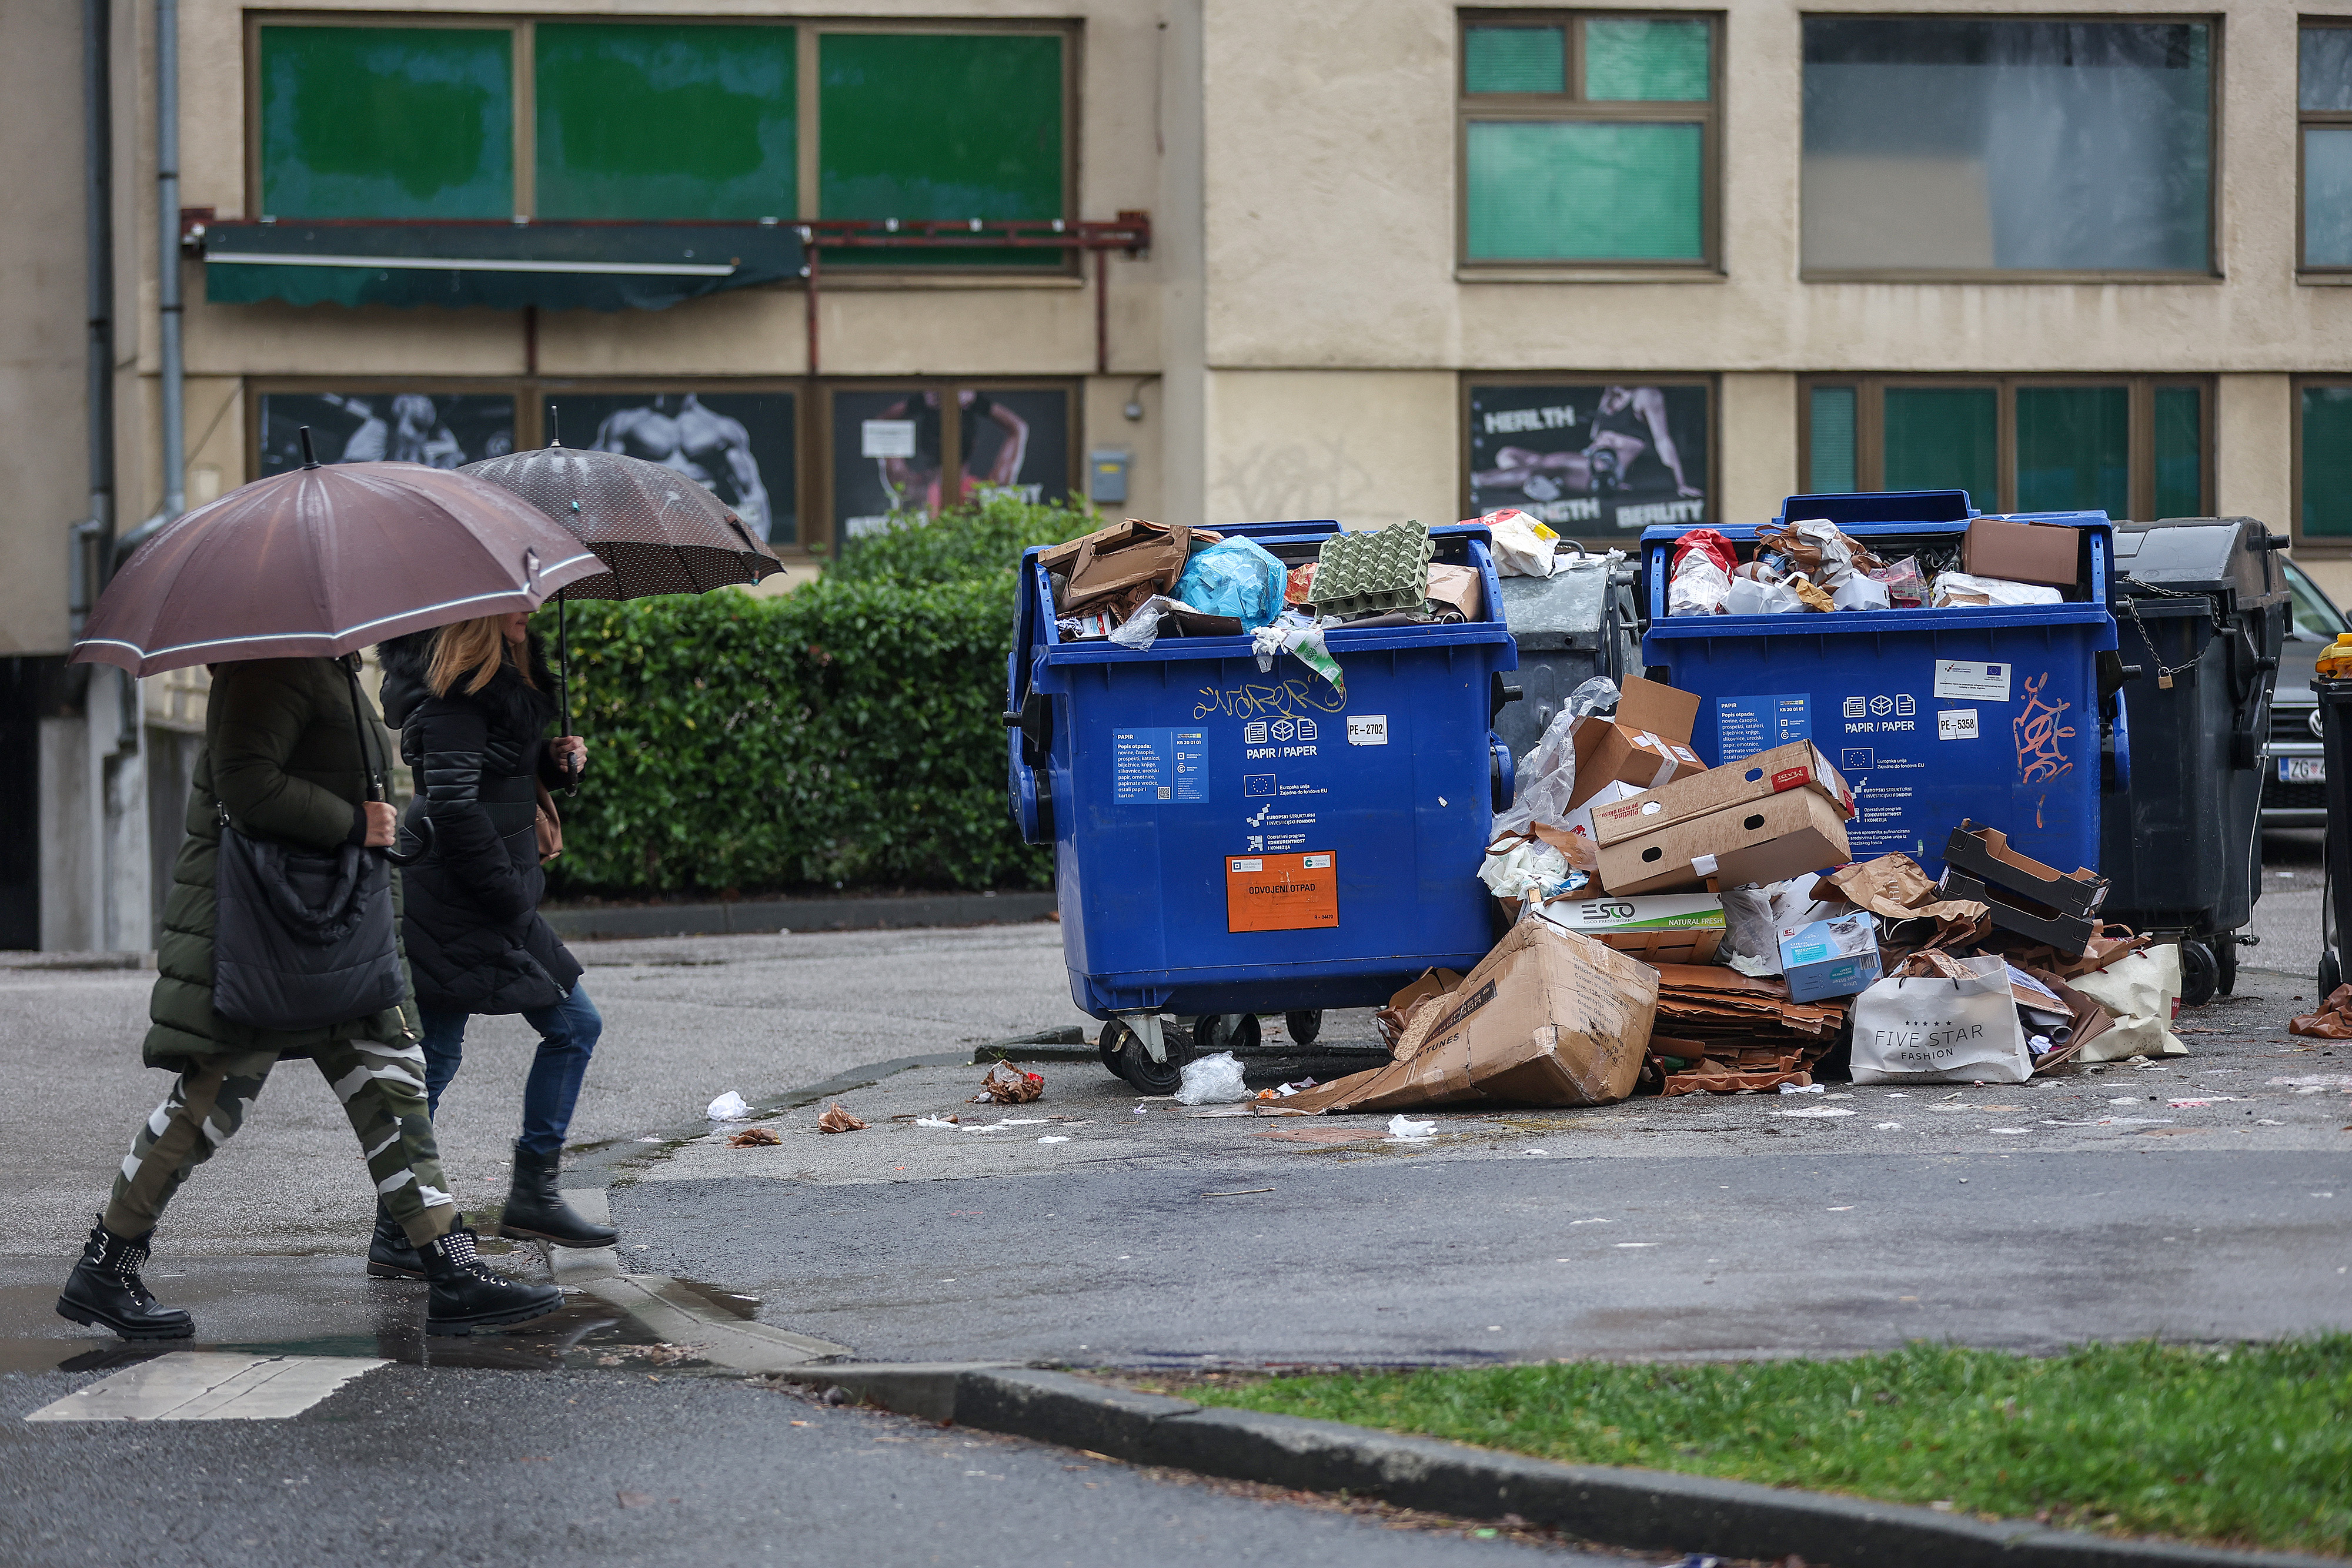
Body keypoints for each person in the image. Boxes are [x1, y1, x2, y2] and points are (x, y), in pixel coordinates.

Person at [55, 656, 561, 1340]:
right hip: (268, 931)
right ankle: (106, 1267)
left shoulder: (328, 665)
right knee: (207, 1106)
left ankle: (451, 1269)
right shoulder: (273, 668)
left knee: (392, 1083)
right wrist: (354, 823)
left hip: (331, 927)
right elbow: (246, 783)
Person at [375, 613, 614, 1276]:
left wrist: (549, 759)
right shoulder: (458, 693)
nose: (528, 608)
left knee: (571, 1026)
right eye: (514, 598)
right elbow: (452, 805)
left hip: (488, 892)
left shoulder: (506, 682)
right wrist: (509, 896)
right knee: (440, 1057)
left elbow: (491, 775)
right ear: (477, 612)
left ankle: (529, 1196)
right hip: (457, 898)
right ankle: (402, 1228)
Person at [1472, 385, 1703, 503]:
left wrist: (1679, 483)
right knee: (1508, 454)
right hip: (1587, 460)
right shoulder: (1610, 393)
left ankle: (1478, 481)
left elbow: (1663, 440)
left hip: (1605, 471)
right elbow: (1596, 435)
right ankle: (1547, 485)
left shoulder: (1646, 395)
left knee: (1540, 464)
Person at [590, 394, 773, 543]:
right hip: (647, 517)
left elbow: (751, 491)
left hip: (700, 518)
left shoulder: (722, 428)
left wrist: (757, 545)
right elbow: (595, 480)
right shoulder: (626, 423)